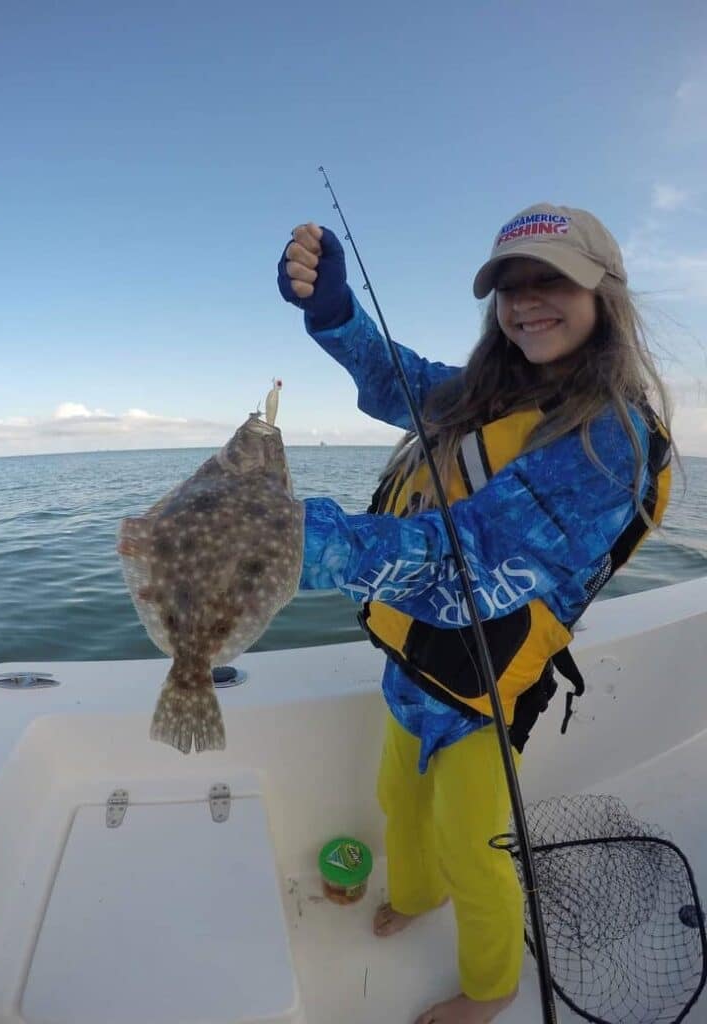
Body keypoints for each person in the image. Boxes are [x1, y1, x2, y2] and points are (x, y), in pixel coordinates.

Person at [277, 203, 673, 1024]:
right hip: (412, 666)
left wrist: (278, 538)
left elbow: (473, 569)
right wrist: (334, 314)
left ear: (605, 293)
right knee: (395, 795)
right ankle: (416, 897)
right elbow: (397, 381)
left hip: (487, 691)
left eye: (551, 280)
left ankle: (489, 989)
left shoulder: (612, 445)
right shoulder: (487, 394)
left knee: (474, 847)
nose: (526, 301)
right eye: (509, 287)